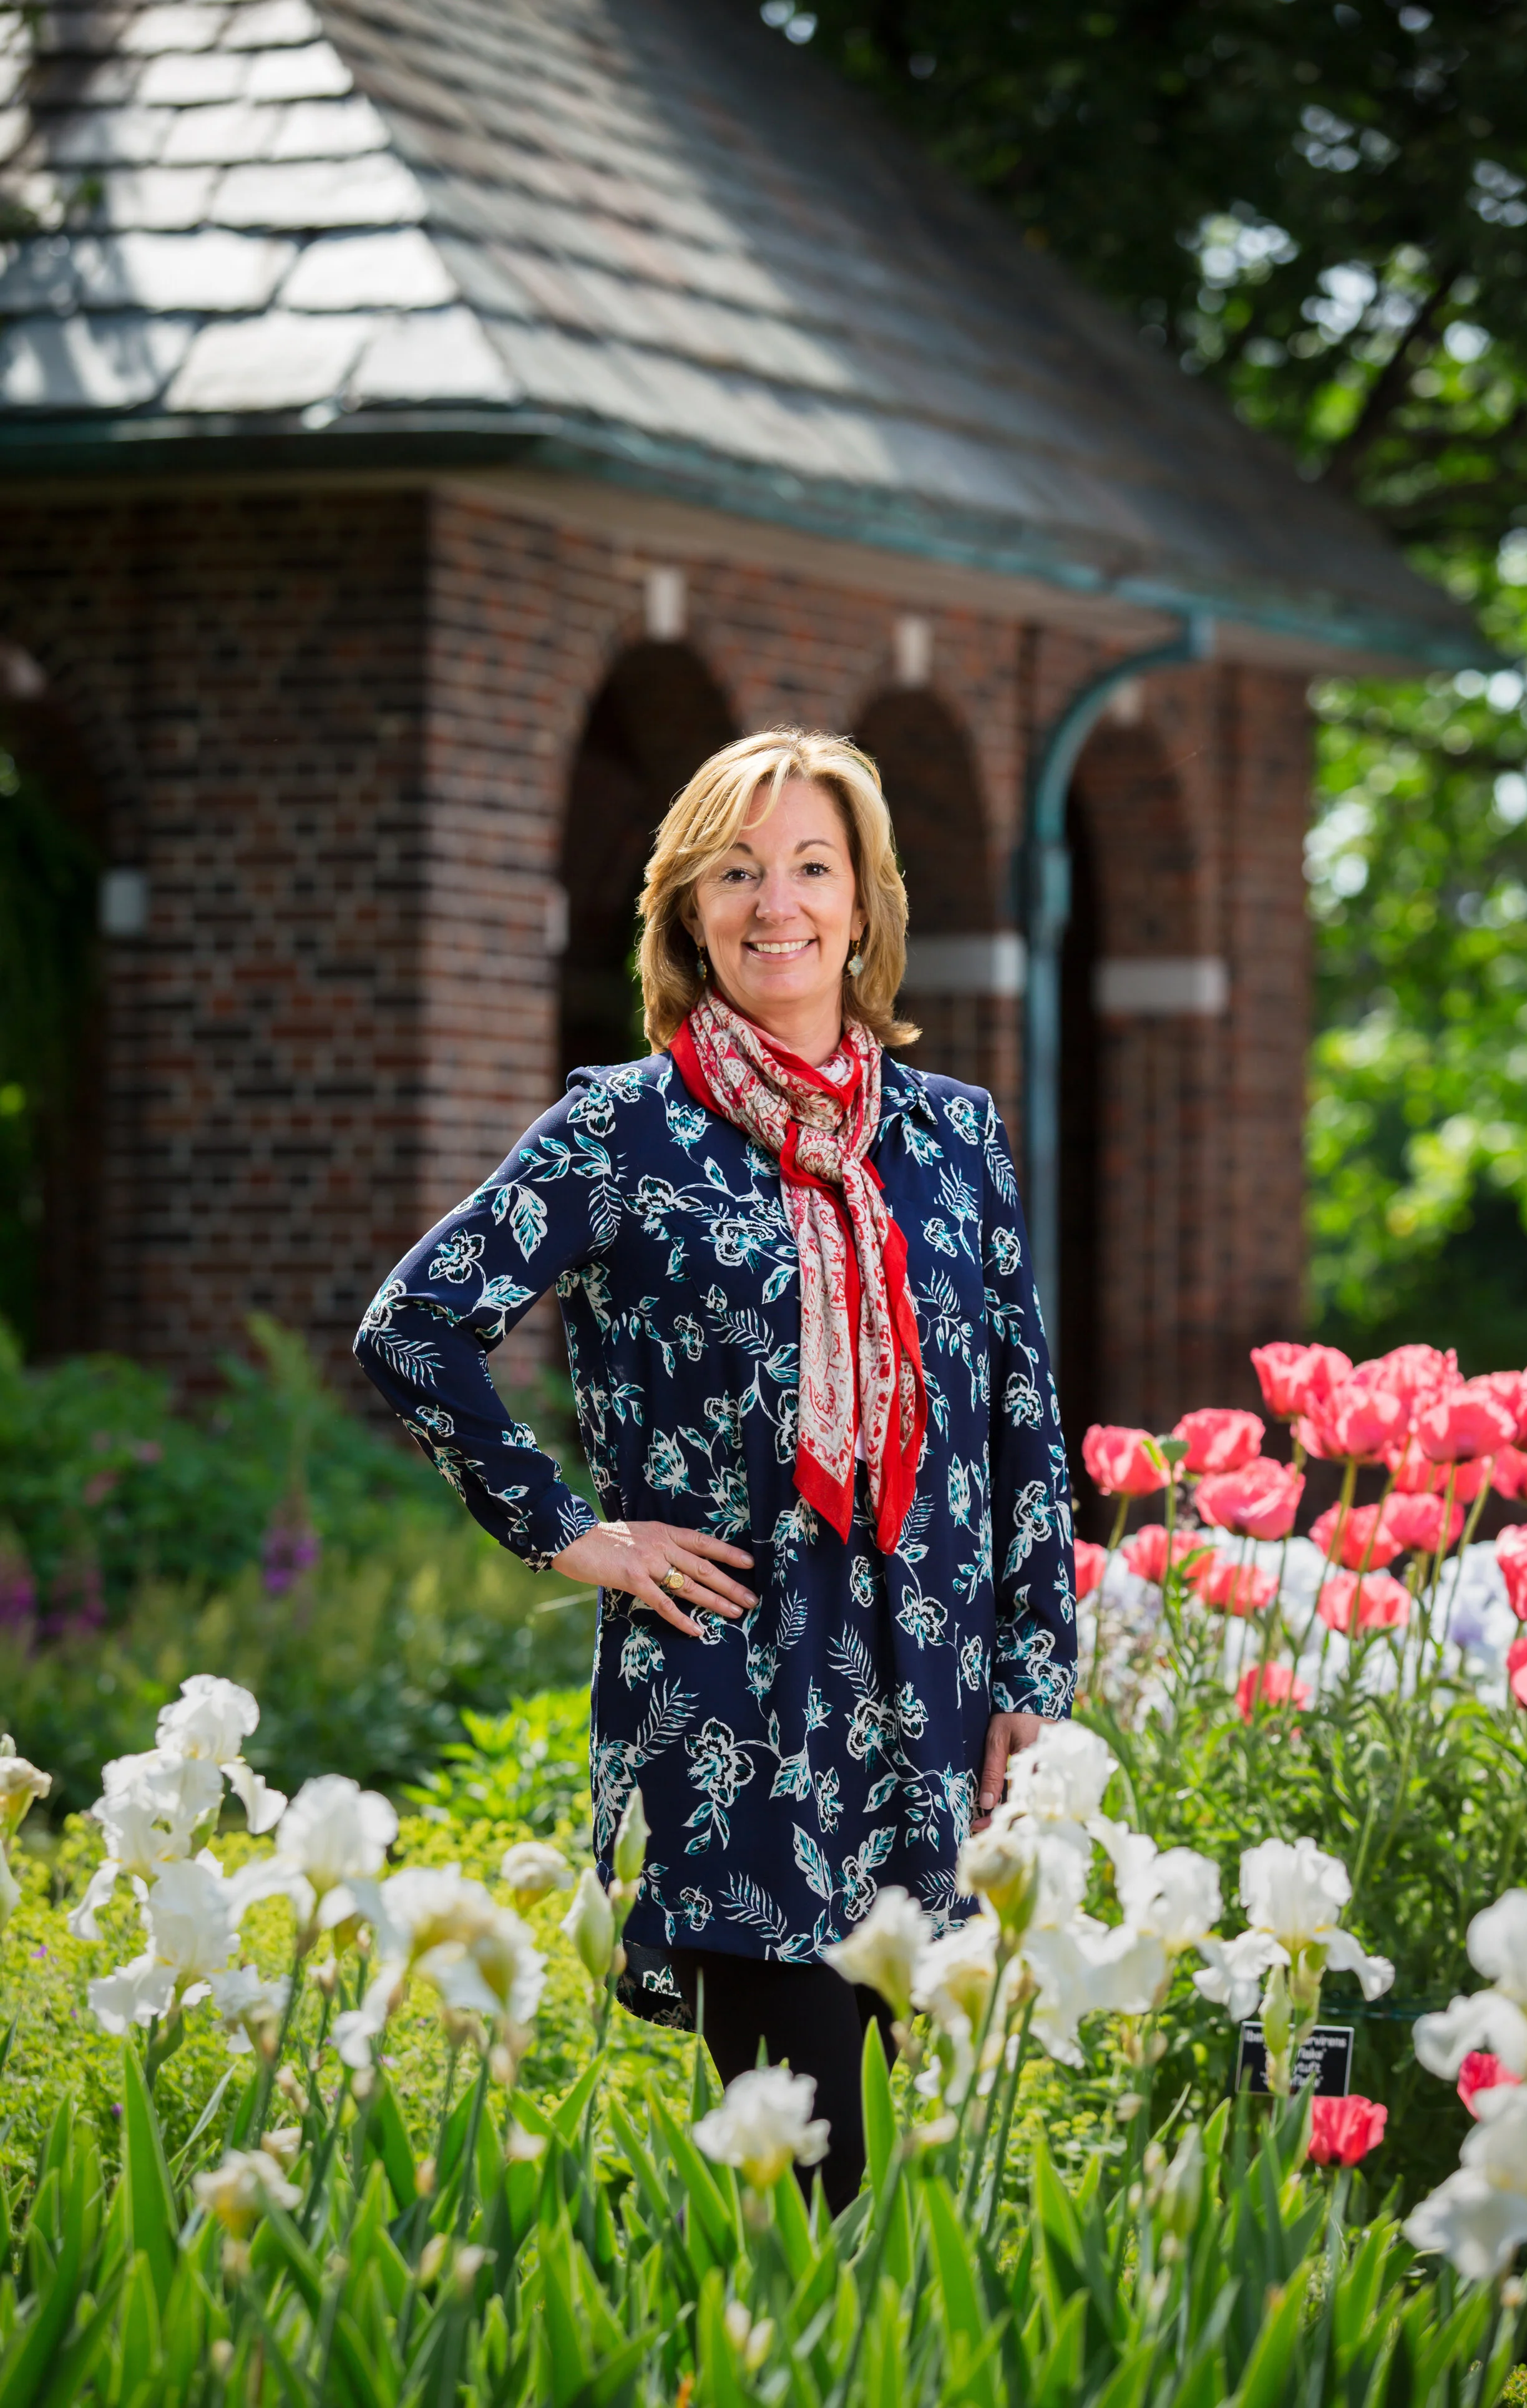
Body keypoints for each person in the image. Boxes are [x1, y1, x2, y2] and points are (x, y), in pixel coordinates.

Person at [354, 727, 1075, 2210]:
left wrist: (1032, 1693)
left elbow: (1019, 1425)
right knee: (806, 2181)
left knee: (935, 2191)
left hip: (935, 1722)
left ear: (864, 905)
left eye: (812, 866)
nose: (777, 904)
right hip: (741, 1706)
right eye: (736, 872)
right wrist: (570, 1530)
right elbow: (413, 1326)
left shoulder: (952, 1142)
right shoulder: (621, 1131)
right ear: (685, 910)